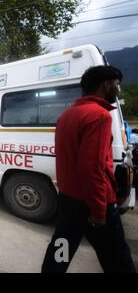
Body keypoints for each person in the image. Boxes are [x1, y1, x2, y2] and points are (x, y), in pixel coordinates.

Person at [41, 65, 136, 273]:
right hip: (92, 202)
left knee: (62, 245)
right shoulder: (99, 116)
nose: (118, 89)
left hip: (68, 199)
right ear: (107, 84)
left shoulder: (67, 115)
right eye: (117, 85)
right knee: (116, 256)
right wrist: (99, 210)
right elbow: (92, 168)